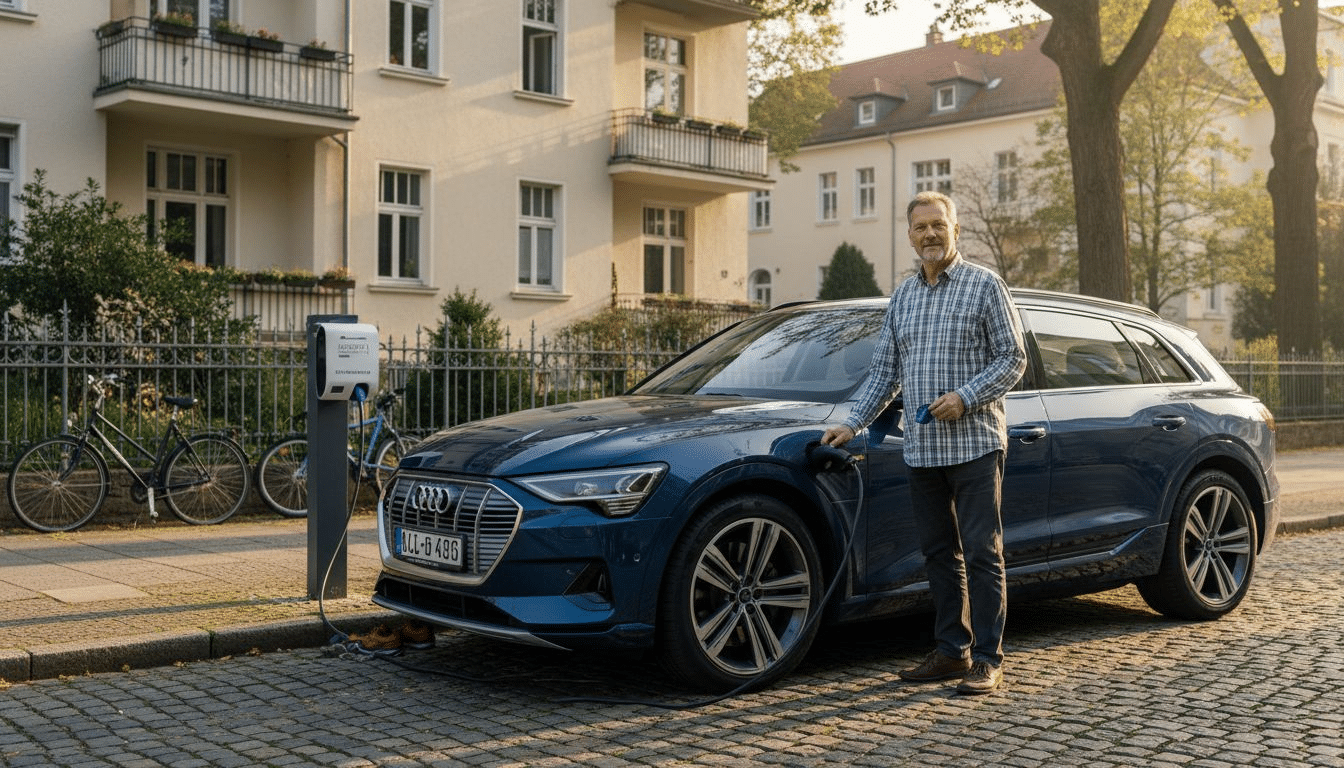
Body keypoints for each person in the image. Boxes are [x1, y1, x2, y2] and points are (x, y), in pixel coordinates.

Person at [822, 190, 1026, 695]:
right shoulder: (905, 295)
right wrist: (852, 423)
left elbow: (1013, 357)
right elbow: (884, 372)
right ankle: (951, 652)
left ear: (956, 229)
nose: (930, 234)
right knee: (939, 554)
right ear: (909, 235)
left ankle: (987, 659)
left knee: (982, 552)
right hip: (922, 449)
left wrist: (966, 396)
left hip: (976, 443)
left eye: (939, 225)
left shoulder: (985, 286)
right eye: (921, 227)